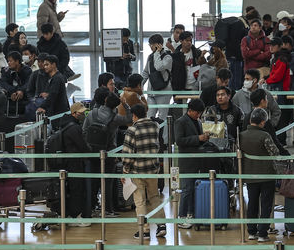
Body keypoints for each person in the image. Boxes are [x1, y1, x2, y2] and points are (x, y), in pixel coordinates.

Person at [121, 103, 166, 239]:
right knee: (154, 197)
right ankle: (162, 225)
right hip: (153, 169)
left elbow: (128, 154)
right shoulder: (155, 126)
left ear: (134, 115)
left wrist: (125, 169)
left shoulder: (132, 130)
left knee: (140, 201)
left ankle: (144, 230)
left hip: (137, 171)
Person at [82, 93, 132, 217]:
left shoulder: (92, 113)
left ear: (105, 100)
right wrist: (125, 105)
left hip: (92, 152)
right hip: (109, 153)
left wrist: (89, 146)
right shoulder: (115, 118)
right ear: (116, 105)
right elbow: (130, 119)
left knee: (93, 182)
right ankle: (107, 210)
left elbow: (84, 131)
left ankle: (92, 208)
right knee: (107, 183)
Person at [240, 107, 281, 242]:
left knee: (252, 203)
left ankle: (251, 232)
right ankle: (263, 233)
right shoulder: (265, 136)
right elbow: (275, 152)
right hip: (267, 175)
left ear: (251, 120)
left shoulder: (241, 135)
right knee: (266, 204)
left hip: (250, 175)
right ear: (263, 122)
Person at [51, 102, 91, 224]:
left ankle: (70, 214)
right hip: (74, 163)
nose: (83, 115)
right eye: (81, 113)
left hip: (67, 162)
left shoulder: (65, 125)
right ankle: (75, 216)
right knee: (77, 190)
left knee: (71, 189)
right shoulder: (74, 128)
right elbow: (82, 146)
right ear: (74, 113)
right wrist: (91, 152)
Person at [174, 99, 207, 229]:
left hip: (196, 160)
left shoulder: (197, 122)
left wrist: (204, 138)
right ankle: (181, 217)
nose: (198, 115)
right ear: (190, 110)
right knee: (187, 190)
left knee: (193, 190)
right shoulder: (180, 122)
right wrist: (198, 138)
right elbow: (179, 141)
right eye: (197, 112)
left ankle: (191, 214)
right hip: (187, 161)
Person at [141, 34, 173, 123]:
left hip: (164, 91)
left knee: (162, 118)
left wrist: (157, 53)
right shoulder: (150, 56)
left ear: (159, 45)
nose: (151, 46)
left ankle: (163, 136)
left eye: (152, 44)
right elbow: (146, 72)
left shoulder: (167, 57)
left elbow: (158, 67)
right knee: (149, 117)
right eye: (150, 44)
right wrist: (140, 85)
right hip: (151, 92)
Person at [242, 89, 284, 153]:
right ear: (262, 101)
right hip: (263, 155)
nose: (267, 101)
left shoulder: (247, 117)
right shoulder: (264, 119)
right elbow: (274, 142)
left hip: (248, 155)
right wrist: (287, 154)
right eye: (266, 98)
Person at [35, 55, 70, 126]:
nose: (45, 67)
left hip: (58, 112)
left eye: (47, 65)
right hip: (55, 110)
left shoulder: (57, 78)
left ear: (54, 65)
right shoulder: (54, 77)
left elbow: (53, 95)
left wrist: (42, 106)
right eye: (44, 65)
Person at [1, 51, 32, 115]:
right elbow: (3, 83)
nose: (8, 63)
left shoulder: (27, 70)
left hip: (24, 98)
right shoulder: (6, 71)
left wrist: (21, 90)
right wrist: (12, 91)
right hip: (10, 98)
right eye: (8, 61)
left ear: (17, 61)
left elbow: (28, 83)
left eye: (10, 61)